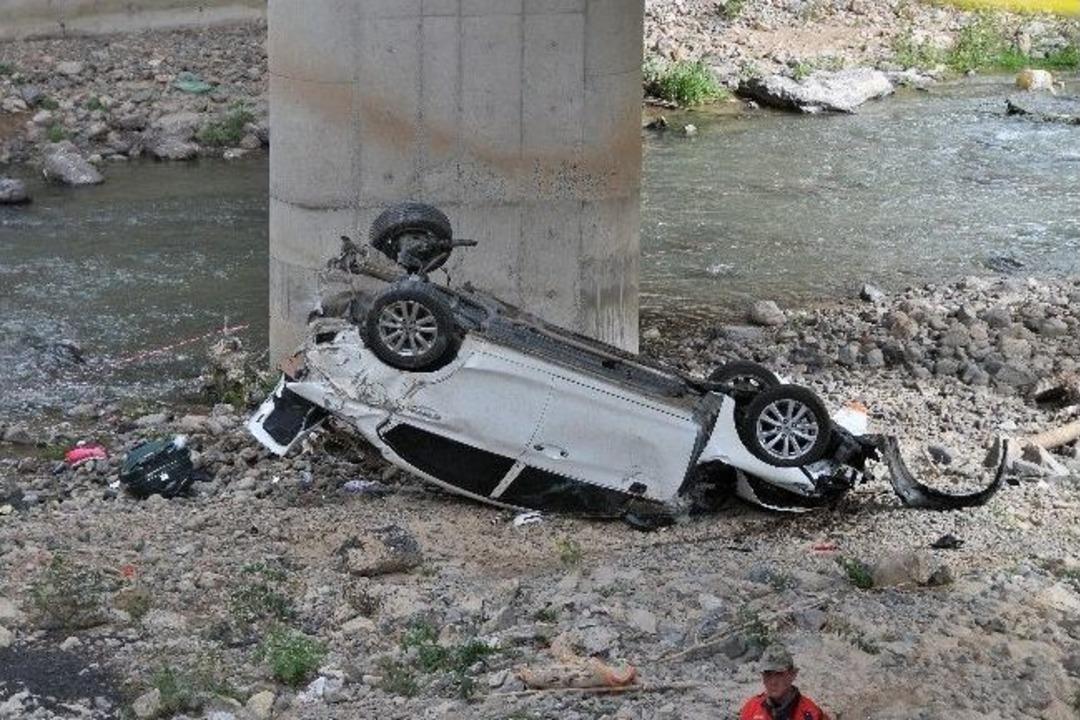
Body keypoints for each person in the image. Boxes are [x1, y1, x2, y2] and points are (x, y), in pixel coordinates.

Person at [738, 644, 830, 720]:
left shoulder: (811, 713)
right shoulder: (751, 708)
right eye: (768, 674)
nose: (773, 682)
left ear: (793, 674)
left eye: (779, 674)